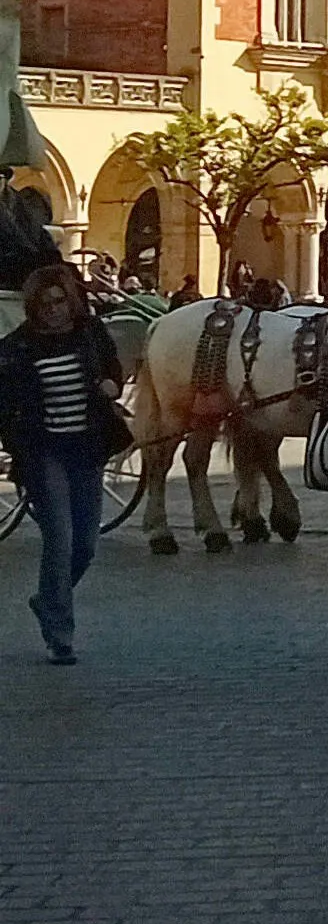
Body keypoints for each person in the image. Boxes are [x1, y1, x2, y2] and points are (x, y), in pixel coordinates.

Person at [0, 262, 127, 664]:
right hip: (44, 453)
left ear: (71, 303)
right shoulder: (17, 348)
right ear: (33, 308)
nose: (54, 310)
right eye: (45, 304)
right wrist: (20, 449)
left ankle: (48, 599)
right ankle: (60, 635)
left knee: (86, 545)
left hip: (86, 448)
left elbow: (112, 370)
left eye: (60, 301)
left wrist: (112, 385)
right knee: (60, 538)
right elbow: (6, 408)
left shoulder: (90, 335)